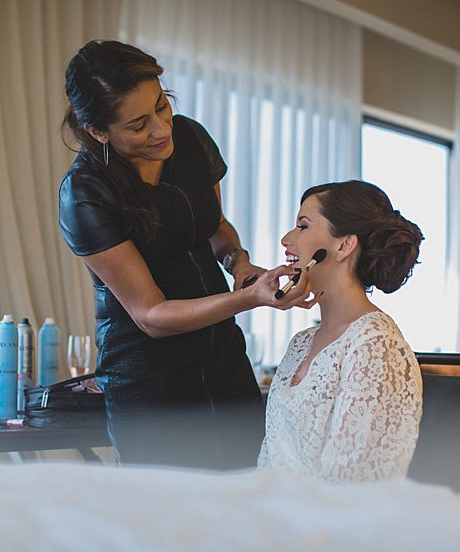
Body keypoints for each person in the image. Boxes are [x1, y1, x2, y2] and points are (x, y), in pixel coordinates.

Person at [58, 40, 316, 470]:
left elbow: (214, 225)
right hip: (148, 378)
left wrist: (239, 262)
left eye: (162, 106)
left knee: (248, 491)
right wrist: (248, 299)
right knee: (170, 507)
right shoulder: (85, 193)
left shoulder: (191, 139)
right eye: (138, 125)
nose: (162, 130)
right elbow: (151, 315)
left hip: (223, 356)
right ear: (99, 131)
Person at [259, 180, 424, 483]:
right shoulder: (300, 344)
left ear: (344, 245)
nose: (286, 239)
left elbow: (350, 483)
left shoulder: (376, 346)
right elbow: (271, 458)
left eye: (302, 226)